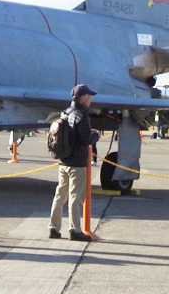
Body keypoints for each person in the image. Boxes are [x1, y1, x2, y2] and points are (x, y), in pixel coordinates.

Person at [49, 84, 100, 242]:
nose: (90, 100)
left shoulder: (65, 112)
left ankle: (53, 228)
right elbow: (85, 140)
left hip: (63, 160)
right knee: (75, 197)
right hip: (77, 162)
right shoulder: (81, 115)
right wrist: (96, 136)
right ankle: (75, 230)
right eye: (89, 97)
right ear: (83, 98)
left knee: (60, 195)